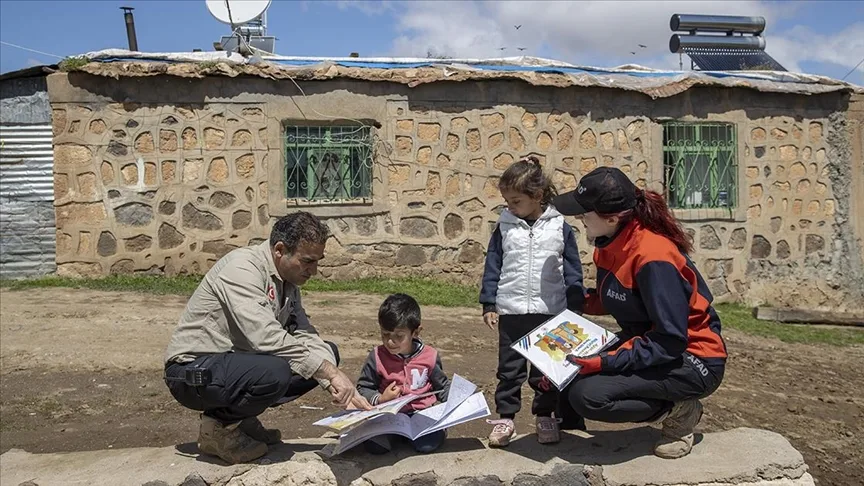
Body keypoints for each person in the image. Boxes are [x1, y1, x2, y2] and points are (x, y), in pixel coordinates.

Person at [163, 212, 371, 465]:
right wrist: (328, 372)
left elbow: (304, 333)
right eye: (307, 261)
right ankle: (217, 430)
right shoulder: (242, 268)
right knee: (277, 370)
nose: (314, 271)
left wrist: (335, 384)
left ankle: (241, 420)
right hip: (193, 372)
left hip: (236, 366)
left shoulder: (288, 282)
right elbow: (264, 337)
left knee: (326, 352)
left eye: (317, 261)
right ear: (280, 250)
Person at [550, 167, 727, 459]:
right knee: (565, 370)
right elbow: (621, 298)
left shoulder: (654, 258)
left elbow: (669, 340)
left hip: (692, 358)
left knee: (589, 396)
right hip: (649, 344)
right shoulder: (609, 241)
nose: (579, 219)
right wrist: (577, 302)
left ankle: (680, 410)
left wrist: (604, 361)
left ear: (611, 217)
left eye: (584, 213)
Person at [479, 156, 586, 448]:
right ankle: (506, 419)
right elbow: (493, 265)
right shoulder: (504, 227)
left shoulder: (559, 227)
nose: (510, 207)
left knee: (544, 371)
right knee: (509, 370)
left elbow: (573, 270)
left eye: (515, 201)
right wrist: (490, 304)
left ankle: (545, 415)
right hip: (512, 311)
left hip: (549, 313)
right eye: (507, 201)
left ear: (537, 196)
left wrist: (575, 307)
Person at [356, 293, 451, 454]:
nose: (390, 342)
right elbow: (363, 388)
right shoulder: (377, 356)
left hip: (421, 414)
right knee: (375, 447)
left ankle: (429, 432)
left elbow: (442, 387)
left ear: (416, 332)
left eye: (399, 336)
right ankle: (399, 436)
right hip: (388, 416)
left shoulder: (429, 356)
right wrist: (381, 398)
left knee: (427, 445)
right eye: (385, 334)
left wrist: (460, 400)